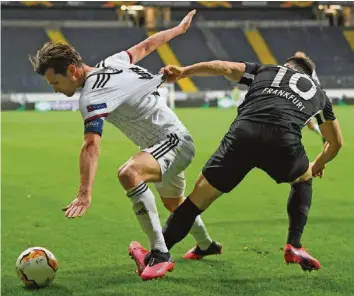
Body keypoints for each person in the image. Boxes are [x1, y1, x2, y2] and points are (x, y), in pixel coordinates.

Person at [29, 10, 221, 281]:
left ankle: (159, 254)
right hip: (162, 146)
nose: (55, 89)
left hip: (173, 141)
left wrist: (84, 193)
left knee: (129, 172)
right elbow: (147, 45)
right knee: (174, 203)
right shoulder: (114, 62)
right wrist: (178, 30)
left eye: (56, 82)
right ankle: (206, 245)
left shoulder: (92, 96)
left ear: (72, 71)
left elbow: (90, 146)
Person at [134, 55, 343, 272]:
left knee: (198, 198)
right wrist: (318, 163)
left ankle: (158, 255)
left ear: (287, 66)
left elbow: (224, 67)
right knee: (303, 177)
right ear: (309, 75)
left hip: (244, 133)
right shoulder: (319, 95)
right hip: (283, 141)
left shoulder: (267, 70)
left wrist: (185, 71)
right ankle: (295, 244)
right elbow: (335, 142)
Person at [295, 51, 326, 143]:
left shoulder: (304, 70)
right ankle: (324, 135)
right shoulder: (307, 68)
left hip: (310, 98)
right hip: (312, 97)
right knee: (310, 125)